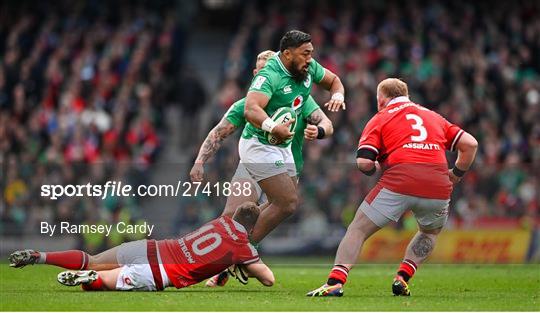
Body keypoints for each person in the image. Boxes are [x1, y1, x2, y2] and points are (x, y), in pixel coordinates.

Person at [306, 78, 478, 297]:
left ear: (381, 99)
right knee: (429, 232)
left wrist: (374, 168)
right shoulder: (434, 117)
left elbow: (364, 163)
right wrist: (456, 174)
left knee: (357, 229)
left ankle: (335, 282)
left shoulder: (380, 118)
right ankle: (402, 278)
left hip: (400, 180)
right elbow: (470, 144)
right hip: (437, 185)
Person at [190, 50, 333, 287]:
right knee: (231, 216)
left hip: (288, 167)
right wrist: (199, 162)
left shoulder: (300, 97)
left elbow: (326, 122)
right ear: (257, 74)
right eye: (263, 70)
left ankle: (237, 255)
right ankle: (226, 258)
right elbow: (219, 132)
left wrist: (320, 131)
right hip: (253, 164)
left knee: (278, 207)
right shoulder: (246, 105)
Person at [9, 202, 274, 291]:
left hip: (151, 248)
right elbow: (269, 280)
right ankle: (93, 279)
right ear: (250, 228)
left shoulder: (219, 221)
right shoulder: (243, 247)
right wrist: (245, 264)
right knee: (94, 284)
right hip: (161, 272)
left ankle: (40, 256)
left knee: (91, 258)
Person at [241, 30, 345, 245]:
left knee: (276, 205)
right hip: (259, 144)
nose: (310, 59)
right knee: (287, 203)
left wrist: (337, 95)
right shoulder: (269, 75)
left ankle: (234, 237)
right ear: (287, 54)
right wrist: (273, 127)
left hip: (284, 149)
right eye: (305, 54)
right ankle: (243, 249)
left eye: (311, 53)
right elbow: (251, 109)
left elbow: (334, 81)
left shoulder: (308, 68)